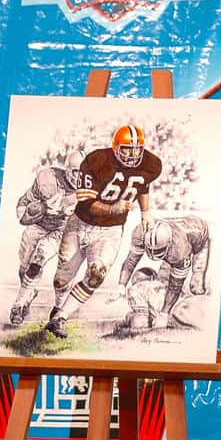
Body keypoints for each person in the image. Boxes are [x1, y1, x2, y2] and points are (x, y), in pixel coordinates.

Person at [46, 123, 161, 338]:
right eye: (127, 148)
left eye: (137, 149)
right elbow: (86, 202)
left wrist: (146, 211)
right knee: (61, 279)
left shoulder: (150, 164)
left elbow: (142, 185)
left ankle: (60, 317)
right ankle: (57, 308)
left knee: (96, 275)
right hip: (80, 223)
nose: (133, 154)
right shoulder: (97, 160)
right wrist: (112, 208)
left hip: (110, 230)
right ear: (116, 146)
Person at [9, 151, 82, 326]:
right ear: (66, 170)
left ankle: (17, 305)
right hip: (39, 224)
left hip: (61, 230)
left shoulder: (88, 187)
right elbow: (23, 203)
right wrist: (28, 214)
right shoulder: (48, 179)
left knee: (38, 260)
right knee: (24, 267)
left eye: (83, 172)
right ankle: (28, 294)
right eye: (75, 171)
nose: (79, 176)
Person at [112, 214, 210, 328]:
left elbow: (175, 285)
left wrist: (164, 314)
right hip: (176, 236)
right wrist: (121, 285)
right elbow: (131, 261)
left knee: (195, 287)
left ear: (168, 245)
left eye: (159, 250)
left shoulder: (180, 249)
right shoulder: (140, 232)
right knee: (162, 282)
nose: (154, 254)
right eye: (150, 249)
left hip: (199, 239)